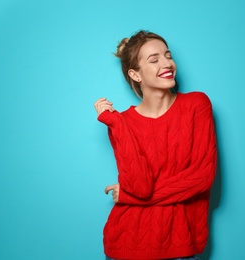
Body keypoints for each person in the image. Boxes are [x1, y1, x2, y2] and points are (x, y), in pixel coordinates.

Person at [93, 30, 217, 260]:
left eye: (168, 55)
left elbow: (202, 176)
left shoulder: (196, 104)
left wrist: (129, 197)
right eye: (154, 59)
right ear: (135, 74)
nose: (167, 62)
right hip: (126, 243)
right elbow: (140, 186)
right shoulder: (123, 123)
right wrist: (116, 124)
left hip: (181, 245)